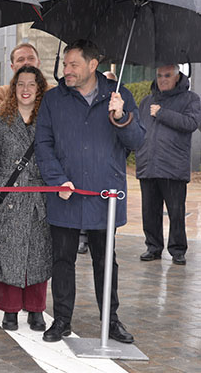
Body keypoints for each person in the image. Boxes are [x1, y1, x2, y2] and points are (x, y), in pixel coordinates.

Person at [35, 39, 144, 344]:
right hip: (65, 193)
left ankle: (110, 320)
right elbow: (43, 144)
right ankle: (61, 320)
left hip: (104, 197)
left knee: (105, 260)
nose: (66, 71)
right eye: (66, 64)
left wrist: (122, 117)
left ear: (93, 65)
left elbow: (137, 143)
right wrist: (58, 179)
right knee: (62, 259)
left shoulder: (117, 97)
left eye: (74, 65)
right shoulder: (54, 100)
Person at [0, 66, 52, 332]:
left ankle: (36, 309)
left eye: (31, 85)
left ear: (39, 89)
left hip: (38, 199)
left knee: (39, 254)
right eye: (20, 84)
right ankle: (9, 310)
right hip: (7, 198)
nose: (25, 89)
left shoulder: (47, 121)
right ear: (13, 88)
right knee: (7, 253)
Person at [136, 64, 201, 265]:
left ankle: (178, 249)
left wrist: (163, 113)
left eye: (167, 75)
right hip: (148, 164)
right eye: (159, 75)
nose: (162, 79)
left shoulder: (190, 99)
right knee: (150, 211)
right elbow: (138, 129)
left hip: (173, 167)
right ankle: (153, 247)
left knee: (176, 212)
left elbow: (191, 124)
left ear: (177, 77)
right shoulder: (147, 101)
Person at [0, 43, 41, 114]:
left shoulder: (51, 92)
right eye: (21, 60)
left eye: (31, 58)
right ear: (12, 67)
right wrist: (14, 94)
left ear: (38, 63)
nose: (26, 62)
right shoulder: (1, 92)